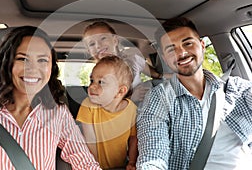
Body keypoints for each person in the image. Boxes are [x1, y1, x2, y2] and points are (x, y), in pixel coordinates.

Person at [0, 26, 101, 170]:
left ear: (51, 68)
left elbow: (85, 163)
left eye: (42, 60)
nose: (33, 69)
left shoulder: (58, 115)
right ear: (7, 64)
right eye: (22, 59)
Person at [136, 17, 252, 169]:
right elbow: (153, 156)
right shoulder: (159, 99)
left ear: (202, 46)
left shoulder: (237, 89)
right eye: (171, 49)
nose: (182, 53)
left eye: (188, 43)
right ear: (165, 59)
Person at [76, 55, 138, 170]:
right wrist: (94, 166)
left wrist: (132, 162)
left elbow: (133, 138)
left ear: (120, 91)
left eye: (101, 82)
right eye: (92, 80)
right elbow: (90, 140)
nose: (92, 86)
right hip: (94, 165)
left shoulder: (131, 109)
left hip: (121, 166)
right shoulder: (88, 105)